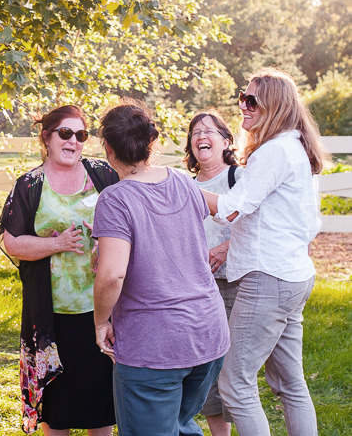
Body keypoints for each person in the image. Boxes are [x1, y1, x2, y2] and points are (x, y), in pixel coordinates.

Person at [200, 68, 326, 436]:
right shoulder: (295, 147)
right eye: (243, 96)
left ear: (273, 106)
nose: (244, 105)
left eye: (252, 100)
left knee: (235, 383)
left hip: (268, 279)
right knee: (291, 383)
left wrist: (179, 186)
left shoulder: (274, 151)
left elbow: (231, 209)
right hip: (293, 275)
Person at [92, 100, 230, 436]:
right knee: (180, 425)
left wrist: (99, 322)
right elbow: (231, 209)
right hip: (208, 337)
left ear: (108, 148)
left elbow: (111, 275)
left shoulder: (115, 199)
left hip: (155, 347)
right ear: (151, 142)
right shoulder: (182, 181)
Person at [0, 105, 118, 435]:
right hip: (51, 315)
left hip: (102, 310)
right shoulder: (30, 184)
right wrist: (56, 244)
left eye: (81, 135)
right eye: (65, 133)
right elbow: (13, 243)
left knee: (102, 404)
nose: (73, 141)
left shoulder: (103, 175)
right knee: (56, 407)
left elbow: (130, 226)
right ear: (47, 137)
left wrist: (105, 240)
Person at [183, 110, 243, 436]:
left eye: (209, 131)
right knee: (205, 368)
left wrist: (225, 248)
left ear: (225, 140)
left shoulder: (239, 177)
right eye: (195, 132)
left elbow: (260, 226)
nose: (201, 136)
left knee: (232, 369)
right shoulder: (186, 187)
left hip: (236, 284)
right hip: (199, 290)